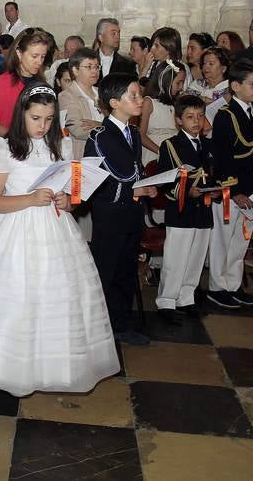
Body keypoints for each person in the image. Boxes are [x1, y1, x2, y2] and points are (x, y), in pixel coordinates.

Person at [0, 84, 119, 396]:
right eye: (36, 118)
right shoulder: (6, 147)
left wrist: (69, 201)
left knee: (58, 298)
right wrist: (29, 199)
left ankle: (53, 365)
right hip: (13, 230)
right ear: (21, 115)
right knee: (17, 299)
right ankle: (11, 367)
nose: (42, 126)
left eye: (49, 119)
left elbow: (72, 194)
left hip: (55, 229)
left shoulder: (62, 146)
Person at [84, 74, 157, 346]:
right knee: (106, 271)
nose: (140, 100)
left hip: (131, 214)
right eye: (133, 96)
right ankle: (97, 328)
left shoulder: (133, 133)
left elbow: (133, 171)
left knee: (127, 269)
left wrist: (145, 187)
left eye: (139, 94)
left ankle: (121, 324)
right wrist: (132, 189)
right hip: (111, 215)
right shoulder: (100, 136)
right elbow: (98, 180)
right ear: (114, 102)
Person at [206, 61, 253, 309]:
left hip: (251, 187)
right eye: (252, 84)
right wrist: (235, 191)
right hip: (230, 189)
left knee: (241, 240)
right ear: (235, 86)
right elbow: (222, 158)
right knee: (222, 240)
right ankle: (217, 287)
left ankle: (233, 284)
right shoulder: (225, 116)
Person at [155, 94, 213, 323]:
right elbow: (166, 179)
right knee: (175, 258)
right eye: (190, 117)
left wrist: (215, 190)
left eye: (200, 116)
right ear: (178, 120)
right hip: (181, 210)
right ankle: (167, 300)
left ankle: (186, 296)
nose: (196, 122)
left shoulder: (207, 145)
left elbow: (210, 174)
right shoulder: (171, 145)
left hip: (203, 210)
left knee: (196, 257)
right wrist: (185, 191)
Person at [0, 29, 51, 137]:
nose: (39, 62)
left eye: (43, 57)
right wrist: (20, 135)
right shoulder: (3, 83)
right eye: (34, 56)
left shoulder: (42, 83)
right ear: (19, 53)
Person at [58, 47, 103, 158]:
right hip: (82, 157)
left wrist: (100, 125)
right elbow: (78, 131)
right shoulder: (66, 96)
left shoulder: (102, 93)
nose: (94, 71)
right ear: (75, 70)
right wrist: (108, 128)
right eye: (89, 67)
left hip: (108, 155)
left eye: (97, 67)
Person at [139, 61, 185, 166]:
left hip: (173, 152)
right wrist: (162, 152)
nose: (181, 87)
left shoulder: (175, 103)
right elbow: (141, 135)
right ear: (166, 81)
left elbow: (178, 131)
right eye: (178, 83)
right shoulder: (149, 102)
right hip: (154, 153)